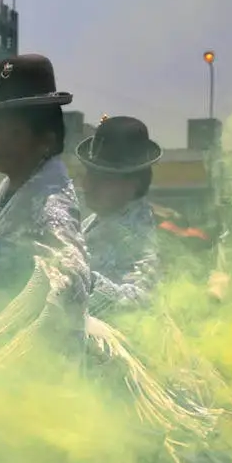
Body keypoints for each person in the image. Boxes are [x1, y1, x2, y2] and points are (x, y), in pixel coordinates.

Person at [0, 54, 90, 359]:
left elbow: (71, 278)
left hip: (29, 361)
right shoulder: (11, 186)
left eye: (14, 133)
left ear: (46, 141)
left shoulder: (52, 199)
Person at [74, 115, 161, 317]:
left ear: (133, 183)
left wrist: (79, 280)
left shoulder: (141, 237)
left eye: (100, 178)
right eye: (88, 173)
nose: (86, 185)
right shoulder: (96, 220)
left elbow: (138, 303)